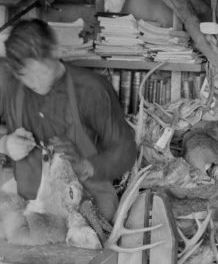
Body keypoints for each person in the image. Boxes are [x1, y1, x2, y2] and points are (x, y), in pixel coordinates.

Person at [0, 18, 136, 221]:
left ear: (55, 52)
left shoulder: (91, 89)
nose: (34, 83)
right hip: (31, 211)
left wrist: (86, 165)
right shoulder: (11, 88)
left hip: (87, 210)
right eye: (25, 76)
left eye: (39, 72)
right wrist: (5, 144)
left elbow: (125, 149)